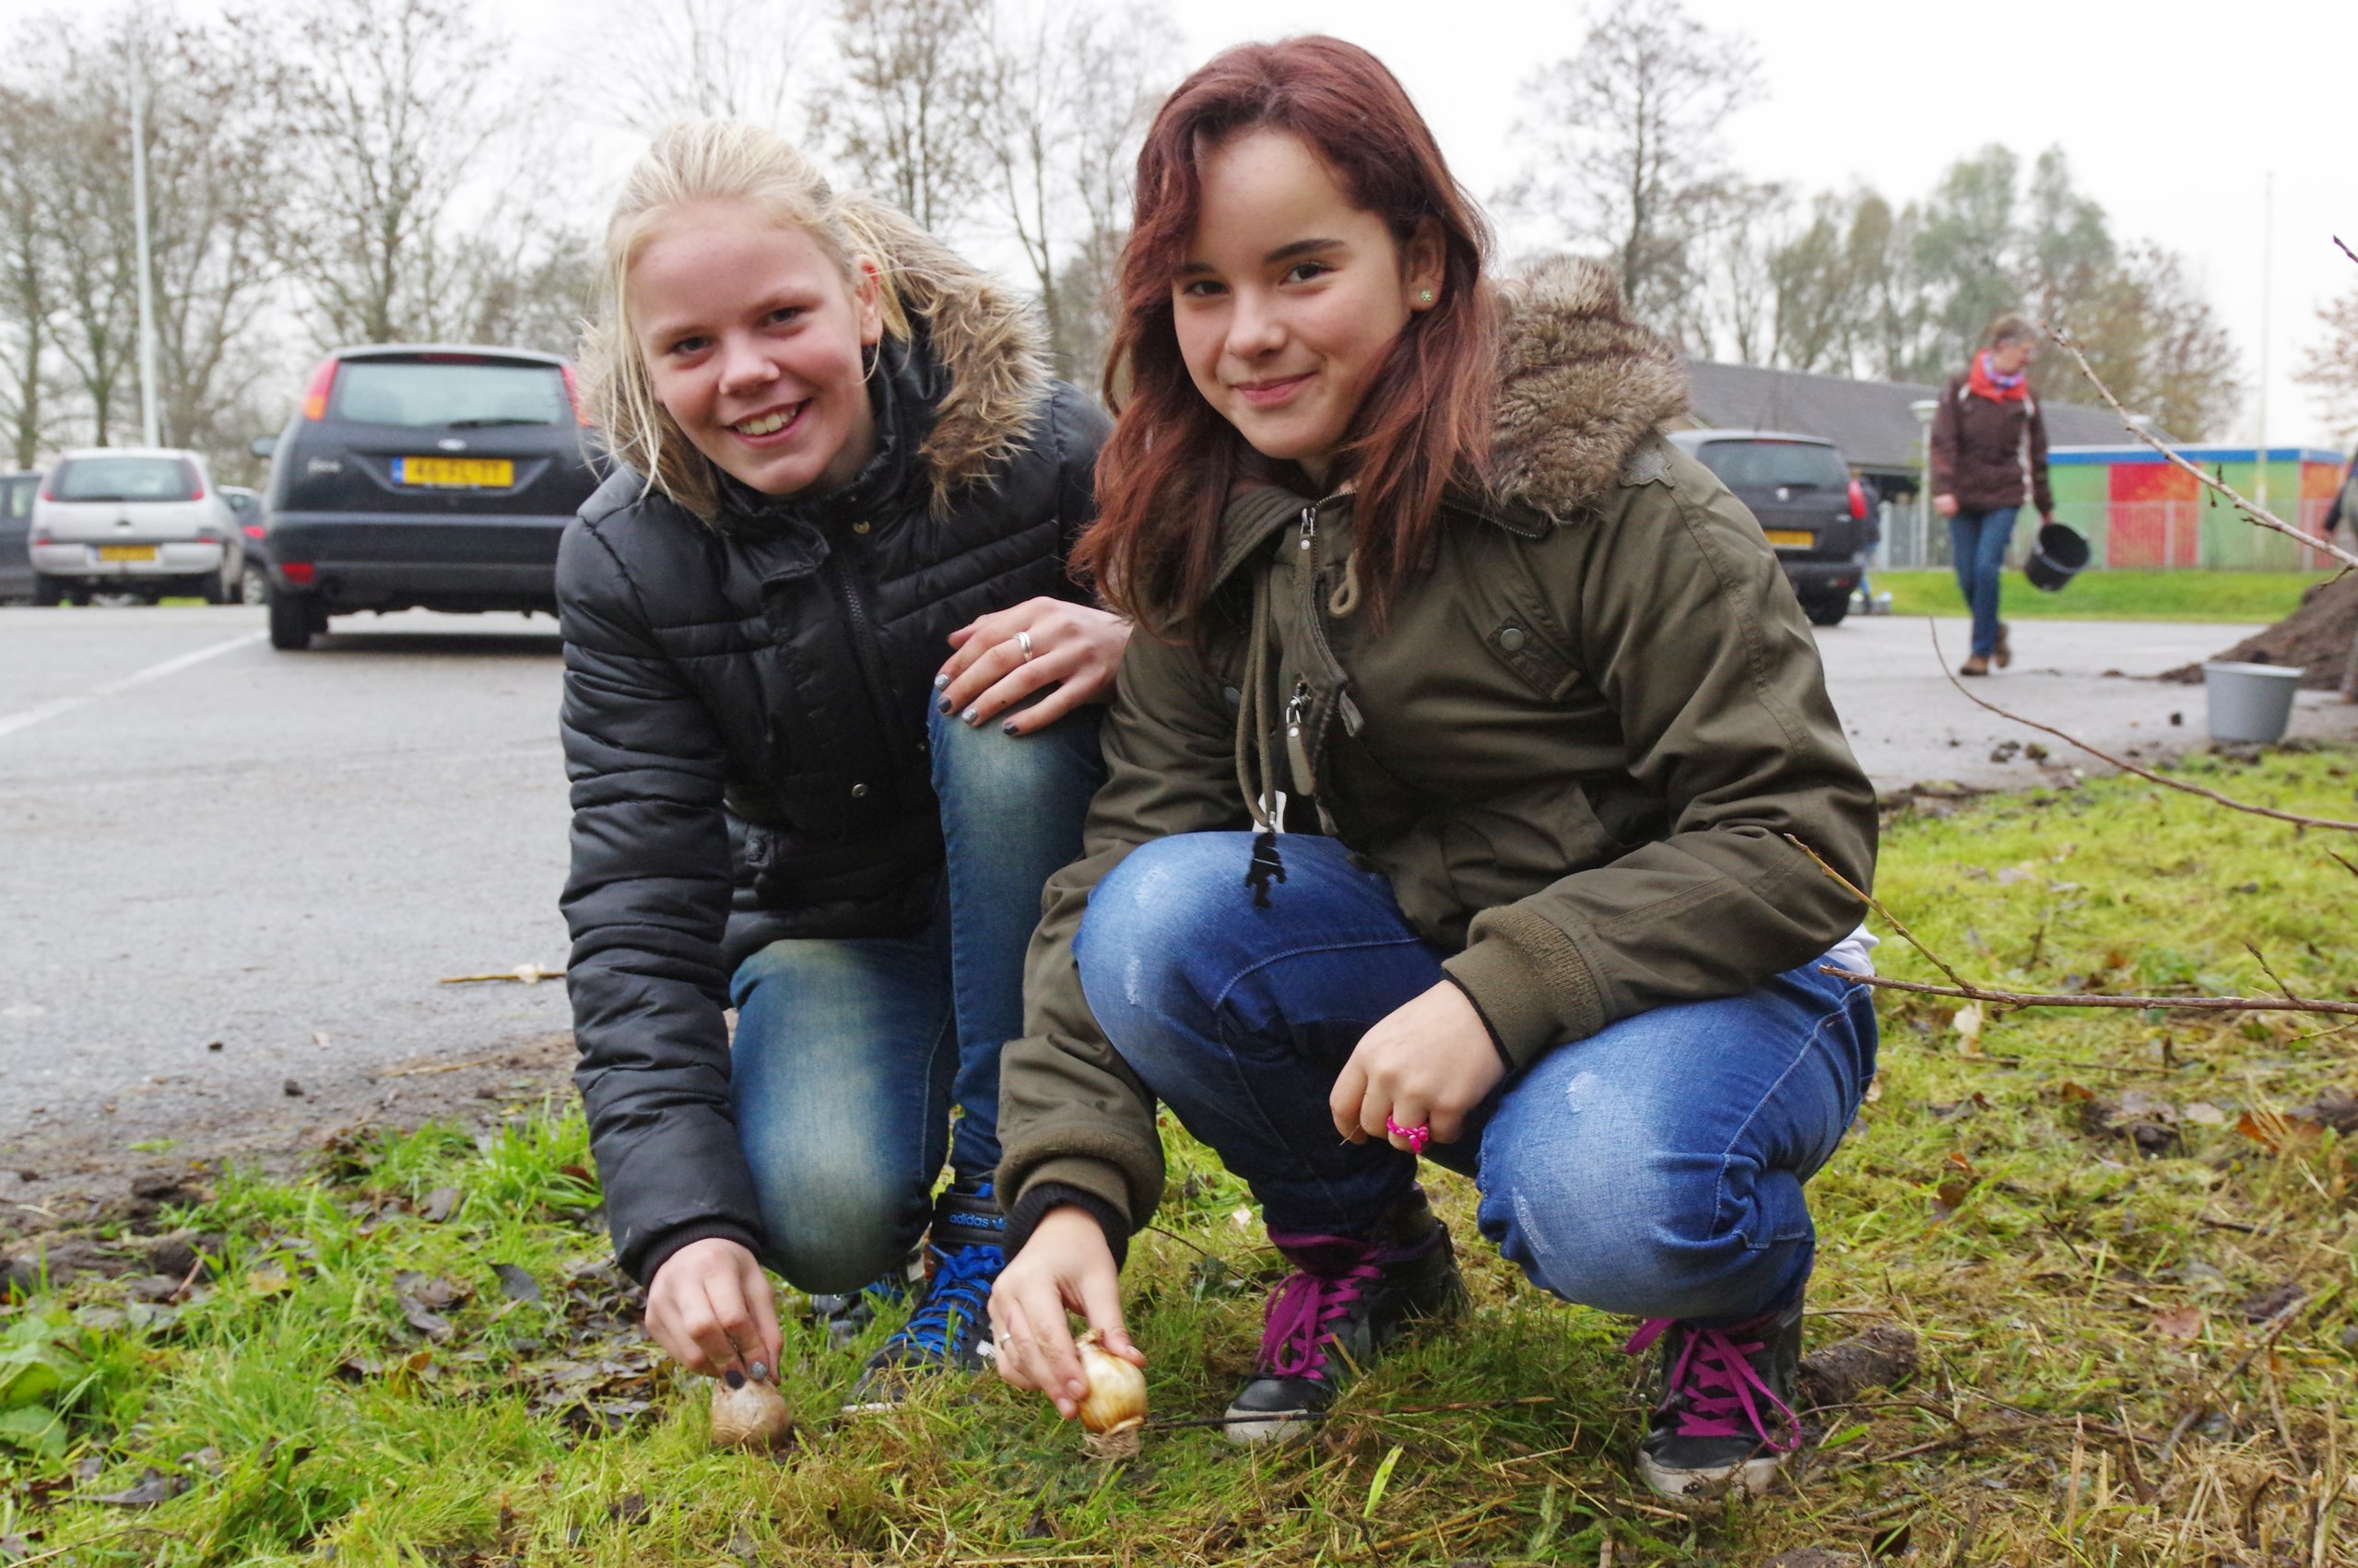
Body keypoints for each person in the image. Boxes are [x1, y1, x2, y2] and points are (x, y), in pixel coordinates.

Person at [985, 38, 1880, 1501]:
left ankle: (1729, 1297)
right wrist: (1068, 1191)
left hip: (1730, 982)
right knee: (1159, 915)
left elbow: (1800, 838)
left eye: (1299, 270)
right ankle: (1368, 1254)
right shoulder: (1205, 531)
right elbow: (1116, 867)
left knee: (1601, 1194)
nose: (1246, 335)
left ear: (1419, 263)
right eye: (1201, 289)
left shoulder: (1617, 500)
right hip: (1447, 969)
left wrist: (1496, 992)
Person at [558, 120, 1124, 1409]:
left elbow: (1235, 674)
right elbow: (636, 902)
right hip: (842, 928)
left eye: (779, 317)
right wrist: (681, 1223)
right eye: (689, 346)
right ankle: (882, 1228)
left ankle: (996, 1209)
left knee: (998, 692)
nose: (744, 374)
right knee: (813, 1212)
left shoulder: (1043, 456)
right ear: (643, 364)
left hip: (1059, 926)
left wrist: (1134, 645)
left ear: (862, 299)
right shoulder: (626, 560)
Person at [1930, 316, 2053, 676]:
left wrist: (2046, 507)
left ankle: (1979, 653)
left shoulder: (2026, 398)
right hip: (1962, 496)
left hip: (2005, 493)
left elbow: (2037, 454)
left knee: (1987, 568)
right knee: (1966, 575)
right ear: (2003, 348)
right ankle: (1994, 630)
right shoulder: (1961, 387)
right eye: (2025, 351)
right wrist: (1944, 489)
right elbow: (1942, 441)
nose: (2029, 359)